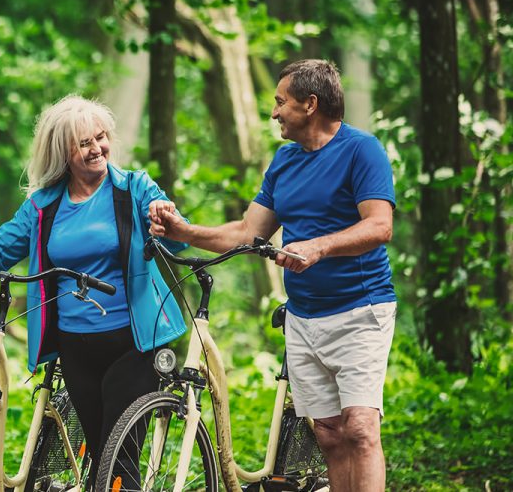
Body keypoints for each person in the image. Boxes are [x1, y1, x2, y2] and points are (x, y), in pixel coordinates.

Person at [149, 59, 396, 491]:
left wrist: (318, 247)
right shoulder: (284, 162)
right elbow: (248, 232)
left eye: (281, 102)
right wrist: (184, 231)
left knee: (359, 429)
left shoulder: (362, 150)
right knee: (330, 436)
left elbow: (380, 226)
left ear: (310, 104)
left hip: (361, 310)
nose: (274, 112)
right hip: (304, 318)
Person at [0, 94, 189, 487]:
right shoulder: (42, 206)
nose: (97, 148)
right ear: (62, 151)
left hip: (134, 343)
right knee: (99, 456)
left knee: (118, 458)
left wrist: (167, 221)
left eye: (101, 137)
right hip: (74, 345)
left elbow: (178, 237)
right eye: (84, 143)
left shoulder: (134, 189)